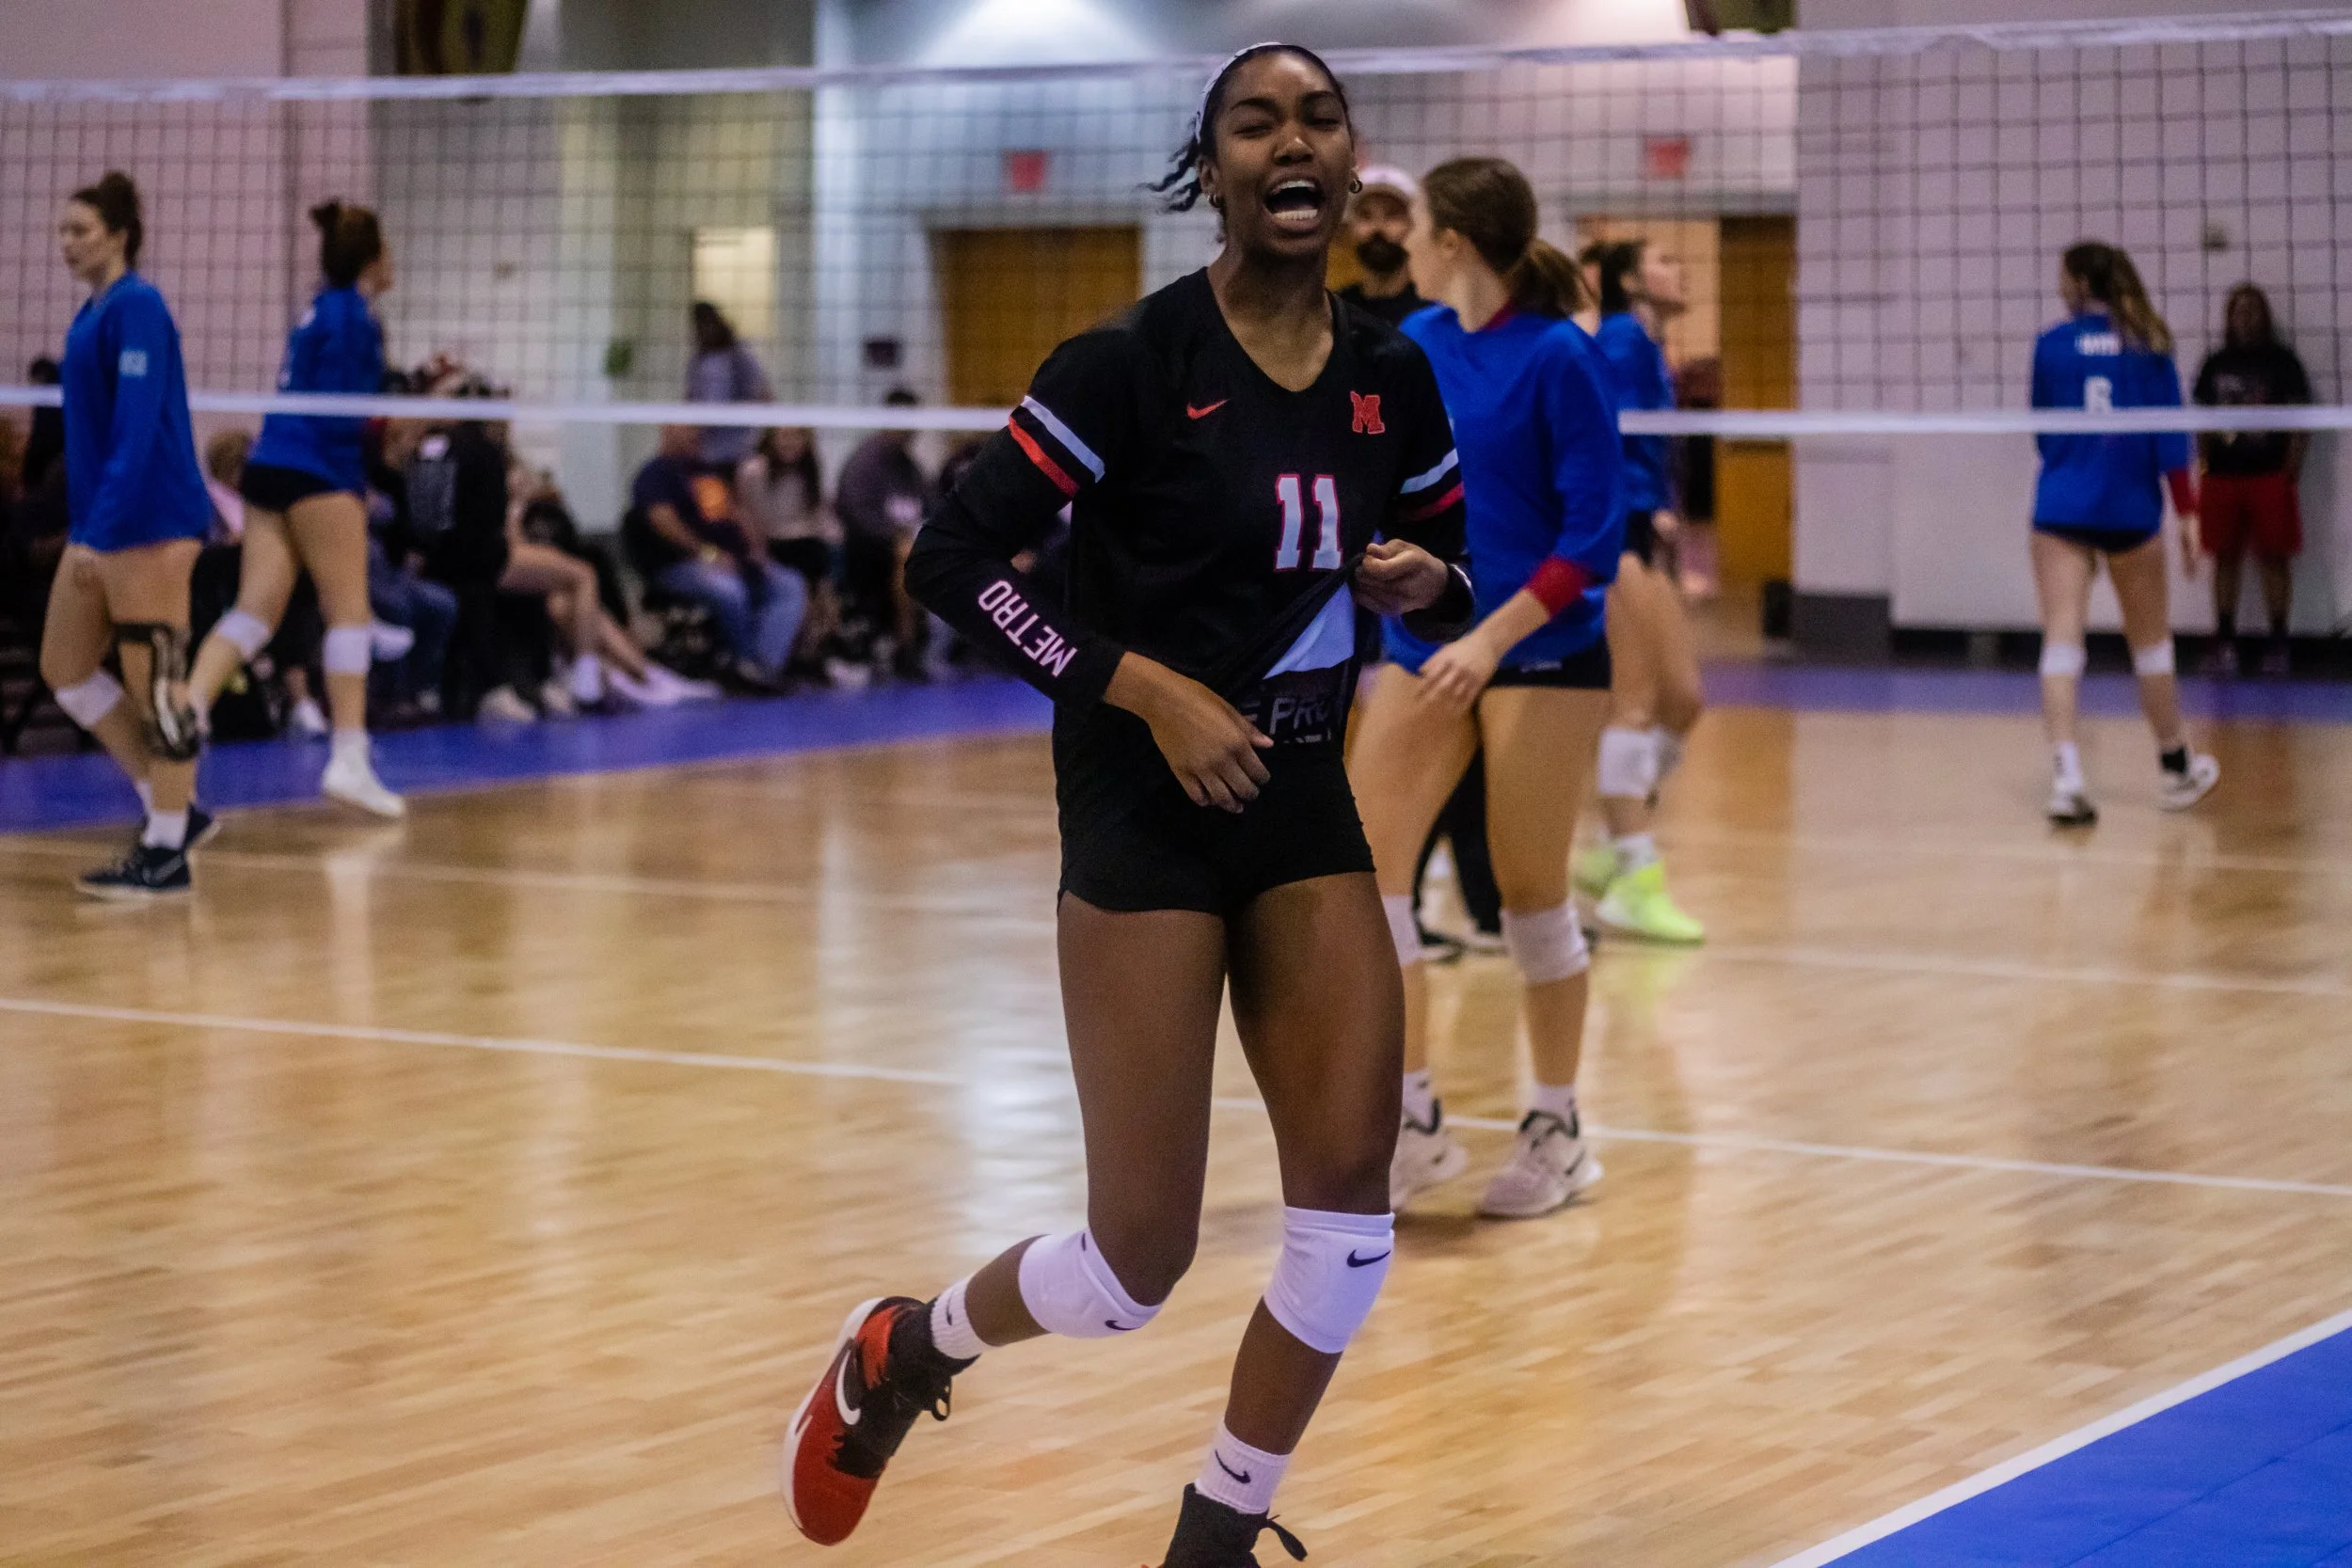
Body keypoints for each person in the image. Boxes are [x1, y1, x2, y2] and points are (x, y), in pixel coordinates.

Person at [781, 44, 1471, 1566]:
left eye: (1319, 116)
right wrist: (1143, 686)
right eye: (1256, 121)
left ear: (1351, 158)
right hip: (1143, 807)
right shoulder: (1128, 366)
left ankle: (1215, 1532)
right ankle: (910, 1348)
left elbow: (1445, 550)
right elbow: (951, 562)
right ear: (1212, 166)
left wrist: (1432, 584)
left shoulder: (1392, 373)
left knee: (1349, 1209)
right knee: (1138, 1256)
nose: (1293, 140)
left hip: (1297, 793)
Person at [1346, 156, 1625, 1217]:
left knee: (1527, 895)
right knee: (1364, 883)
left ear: (1452, 240)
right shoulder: (1413, 345)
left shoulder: (1559, 356)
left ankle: (1557, 1128)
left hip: (1543, 649)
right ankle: (1409, 1120)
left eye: (1414, 224)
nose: (1402, 241)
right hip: (1431, 640)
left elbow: (1591, 536)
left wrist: (1493, 639)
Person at [185, 201, 405, 816]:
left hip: (268, 462)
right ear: (372, 258)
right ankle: (349, 757)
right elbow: (343, 412)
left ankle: (188, 709)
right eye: (389, 251)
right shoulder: (357, 318)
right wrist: (363, 473)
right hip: (318, 466)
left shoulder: (315, 310)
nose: (395, 263)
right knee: (350, 612)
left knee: (256, 610)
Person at [41, 173, 215, 896]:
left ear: (118, 235)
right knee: (66, 668)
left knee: (160, 690)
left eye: (81, 230)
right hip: (103, 524)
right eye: (63, 232)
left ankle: (166, 852)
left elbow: (138, 429)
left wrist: (99, 529)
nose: (68, 243)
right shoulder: (92, 314)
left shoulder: (138, 306)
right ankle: (170, 808)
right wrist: (88, 527)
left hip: (151, 522)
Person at [2029, 241, 2220, 824]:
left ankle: (2067, 777)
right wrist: (2188, 515)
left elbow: (2041, 430)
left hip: (2061, 507)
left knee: (2062, 642)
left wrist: (2074, 463)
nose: (2058, 283)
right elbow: (2172, 442)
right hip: (2131, 509)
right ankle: (2175, 767)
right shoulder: (2150, 344)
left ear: (2082, 282)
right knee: (2151, 646)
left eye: (2064, 275)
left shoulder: (2050, 345)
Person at [1575, 239, 1706, 943]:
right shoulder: (1623, 338)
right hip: (1614, 527)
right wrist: (1637, 505)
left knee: (1684, 697)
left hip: (1646, 530)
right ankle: (1633, 872)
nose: (1680, 268)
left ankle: (1608, 837)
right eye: (1666, 259)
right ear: (1631, 280)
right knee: (1633, 699)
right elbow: (1600, 433)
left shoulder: (1652, 345)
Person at [628, 424, 806, 688]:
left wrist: (754, 551)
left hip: (732, 559)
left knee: (789, 585)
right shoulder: (655, 475)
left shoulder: (705, 474)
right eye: (688, 430)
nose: (696, 435)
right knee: (728, 589)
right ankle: (745, 662)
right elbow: (666, 525)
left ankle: (765, 665)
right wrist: (710, 555)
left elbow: (730, 515)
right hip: (682, 565)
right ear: (667, 432)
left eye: (697, 431)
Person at [2193, 282, 2312, 677]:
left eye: (2252, 310)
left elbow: (2302, 421)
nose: (2245, 317)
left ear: (2264, 315)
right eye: (2238, 310)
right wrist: (2205, 464)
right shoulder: (2214, 364)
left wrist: (2290, 468)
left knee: (2274, 558)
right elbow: (2200, 421)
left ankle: (2279, 642)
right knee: (2224, 559)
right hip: (2223, 478)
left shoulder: (2283, 364)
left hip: (2268, 476)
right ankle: (2225, 640)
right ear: (2229, 317)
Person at [834, 388, 936, 678]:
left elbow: (933, 510)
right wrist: (895, 536)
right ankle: (906, 647)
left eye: (912, 421)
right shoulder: (864, 464)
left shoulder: (912, 468)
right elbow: (854, 513)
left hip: (908, 548)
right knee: (907, 556)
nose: (908, 428)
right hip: (868, 551)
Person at [736, 425, 841, 669]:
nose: (790, 443)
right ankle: (797, 650)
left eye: (797, 436)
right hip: (772, 546)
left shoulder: (809, 471)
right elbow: (746, 514)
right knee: (805, 582)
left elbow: (818, 516)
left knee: (824, 566)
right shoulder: (753, 471)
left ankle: (819, 643)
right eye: (784, 436)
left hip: (806, 546)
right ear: (771, 439)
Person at [687, 301, 772, 471]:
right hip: (707, 454)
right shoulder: (697, 361)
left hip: (740, 451)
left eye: (708, 322)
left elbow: (765, 395)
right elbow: (689, 400)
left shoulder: (740, 357)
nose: (705, 329)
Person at [1334, 165, 1422, 326]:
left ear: (1414, 226)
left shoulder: (1433, 313)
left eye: (1392, 215)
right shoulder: (1335, 314)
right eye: (1366, 215)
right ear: (1350, 227)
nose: (1377, 228)